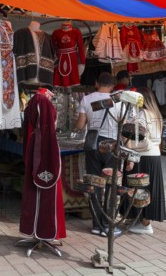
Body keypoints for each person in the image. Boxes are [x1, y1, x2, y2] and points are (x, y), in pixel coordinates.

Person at [75, 72, 122, 236]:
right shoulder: (118, 102)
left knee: (94, 184)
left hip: (93, 144)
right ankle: (107, 226)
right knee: (110, 185)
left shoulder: (86, 99)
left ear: (97, 83)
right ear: (112, 86)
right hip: (111, 146)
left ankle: (96, 225)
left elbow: (80, 126)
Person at [126, 86, 166, 234]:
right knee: (150, 188)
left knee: (141, 189)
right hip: (155, 156)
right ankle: (145, 221)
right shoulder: (156, 114)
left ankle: (144, 223)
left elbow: (137, 139)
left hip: (143, 156)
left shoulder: (142, 114)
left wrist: (130, 156)